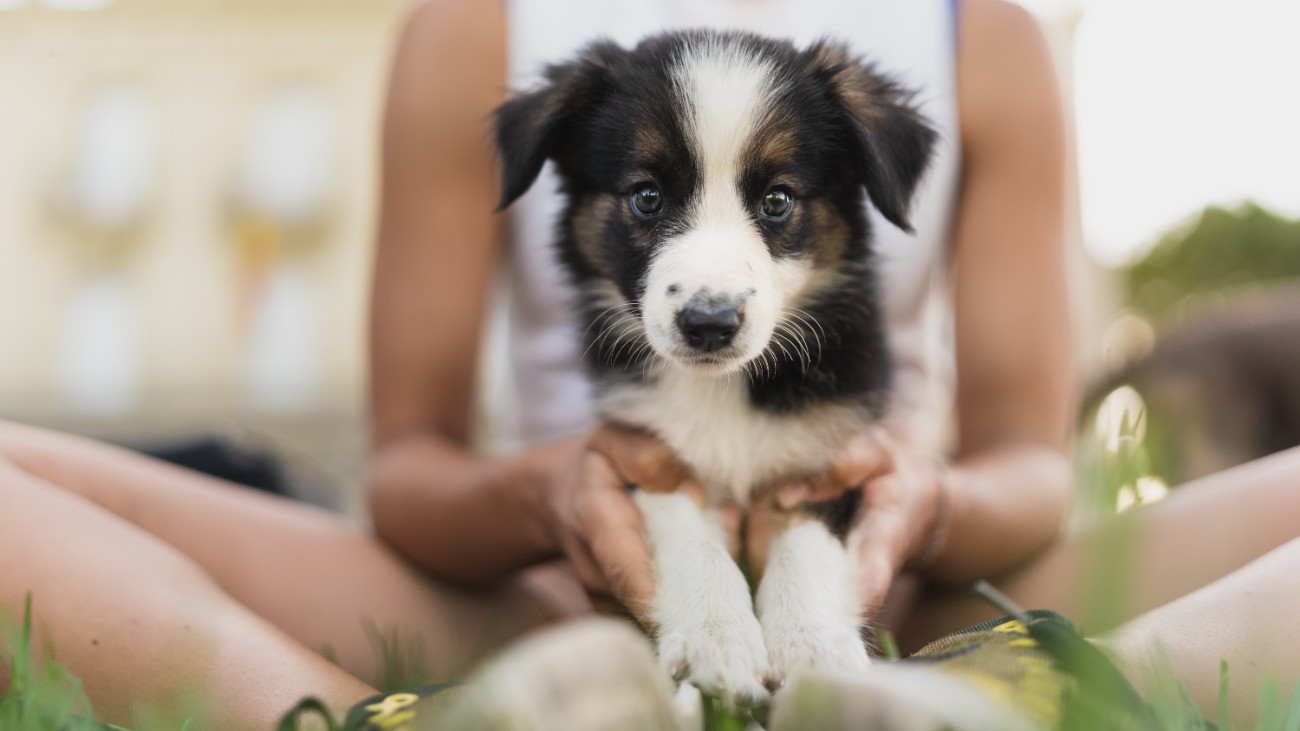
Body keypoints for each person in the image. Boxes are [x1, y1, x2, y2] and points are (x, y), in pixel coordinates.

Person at [1, 0, 1297, 729]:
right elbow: (404, 469)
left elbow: (1031, 461)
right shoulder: (475, 26)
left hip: (920, 588)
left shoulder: (983, 36)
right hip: (542, 592)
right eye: (645, 197)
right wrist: (551, 497)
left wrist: (929, 504)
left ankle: (1026, 695)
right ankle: (403, 721)